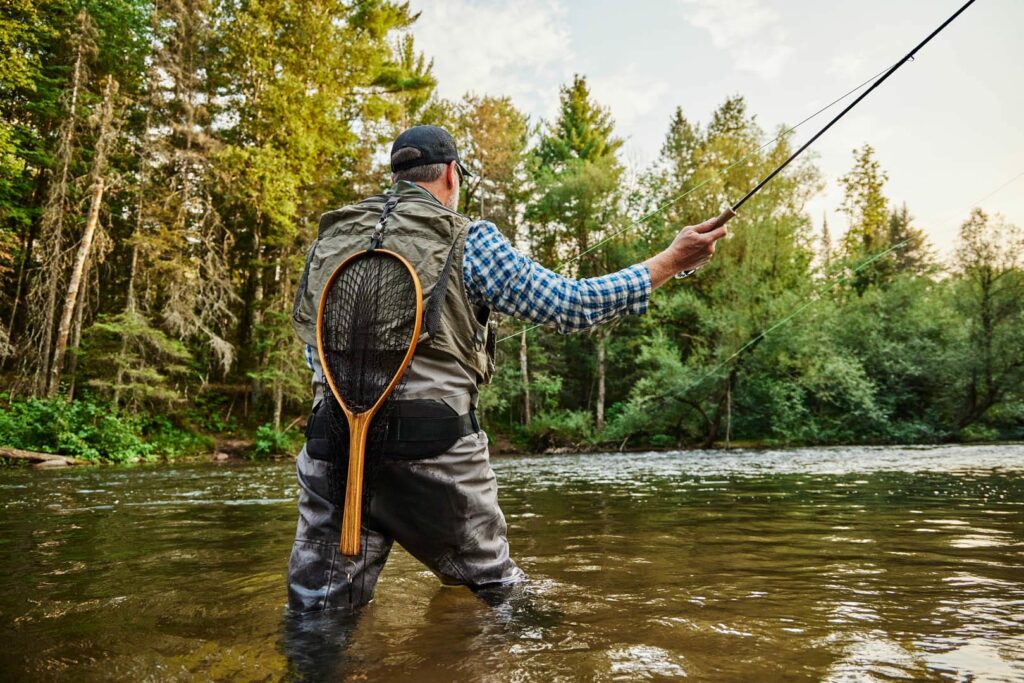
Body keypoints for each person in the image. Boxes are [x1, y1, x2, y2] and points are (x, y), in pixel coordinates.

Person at [287, 125, 731, 614]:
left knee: (317, 616)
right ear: (452, 176)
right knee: (504, 599)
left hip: (332, 445)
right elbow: (571, 304)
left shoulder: (329, 242)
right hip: (435, 451)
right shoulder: (470, 238)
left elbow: (317, 355)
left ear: (397, 177)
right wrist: (670, 262)